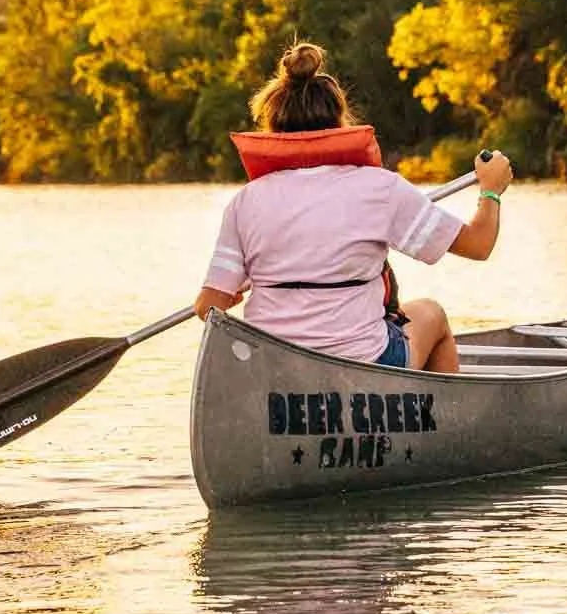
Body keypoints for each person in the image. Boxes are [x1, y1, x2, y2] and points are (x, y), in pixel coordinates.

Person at [193, 42, 511, 372]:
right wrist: (491, 191)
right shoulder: (380, 188)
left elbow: (208, 307)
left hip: (277, 369)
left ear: (273, 126)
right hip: (364, 363)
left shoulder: (245, 202)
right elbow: (478, 244)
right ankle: (443, 421)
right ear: (340, 121)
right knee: (433, 315)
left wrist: (231, 295)